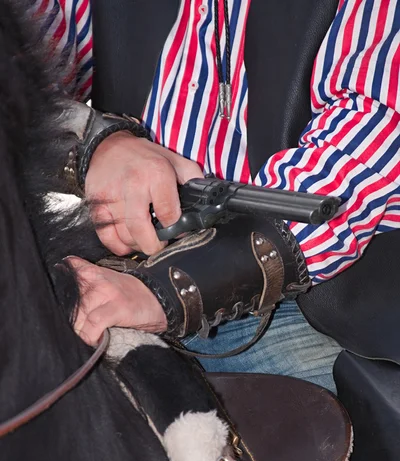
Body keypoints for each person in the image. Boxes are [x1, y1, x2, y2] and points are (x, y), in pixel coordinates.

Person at [31, 0, 400, 399]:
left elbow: (368, 147)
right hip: (121, 260)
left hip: (317, 300)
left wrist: (167, 290)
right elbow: (19, 65)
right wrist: (98, 143)